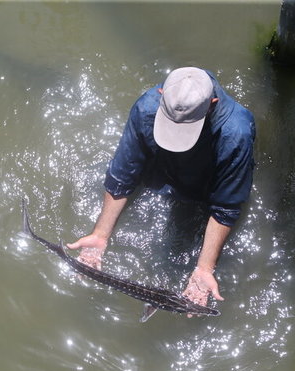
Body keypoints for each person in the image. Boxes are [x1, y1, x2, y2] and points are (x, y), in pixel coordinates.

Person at [67, 67, 255, 310]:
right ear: (161, 92)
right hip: (159, 168)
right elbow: (122, 175)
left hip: (201, 183)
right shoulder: (146, 106)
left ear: (212, 104)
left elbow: (225, 207)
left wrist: (204, 268)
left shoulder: (235, 133)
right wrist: (100, 235)